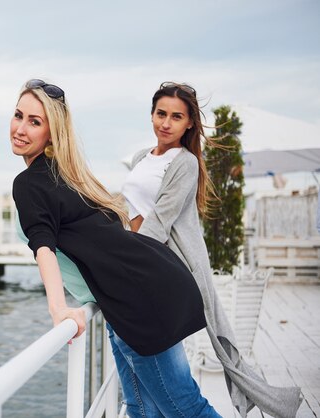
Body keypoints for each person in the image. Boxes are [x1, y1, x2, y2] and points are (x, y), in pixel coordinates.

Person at [11, 79, 221, 417]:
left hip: (139, 299)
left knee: (186, 408)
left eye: (35, 121)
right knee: (139, 407)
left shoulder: (32, 183)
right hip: (133, 294)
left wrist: (58, 310)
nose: (20, 128)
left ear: (52, 132)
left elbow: (44, 248)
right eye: (18, 115)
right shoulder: (67, 176)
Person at [121, 81, 302, 417]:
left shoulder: (185, 163)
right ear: (151, 114)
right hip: (143, 264)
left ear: (189, 123)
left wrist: (125, 268)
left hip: (165, 267)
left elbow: (160, 219)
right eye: (161, 113)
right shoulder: (139, 158)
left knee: (176, 394)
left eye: (176, 117)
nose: (166, 122)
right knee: (143, 391)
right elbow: (131, 210)